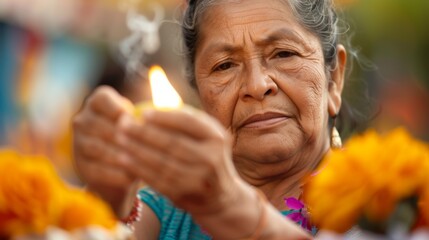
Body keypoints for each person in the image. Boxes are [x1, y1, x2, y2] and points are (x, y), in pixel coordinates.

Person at [72, 0, 349, 239]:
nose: (256, 84)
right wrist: (107, 197)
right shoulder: (161, 211)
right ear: (199, 97)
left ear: (334, 79)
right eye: (224, 65)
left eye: (284, 53)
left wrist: (228, 207)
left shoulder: (379, 202)